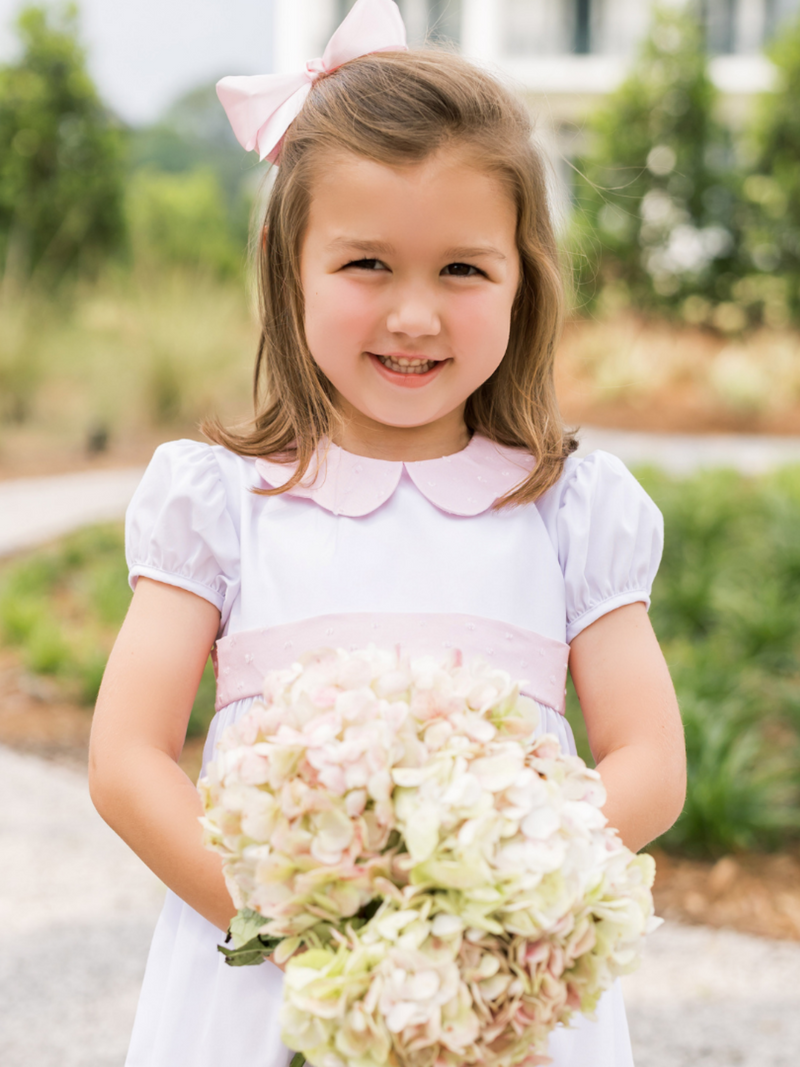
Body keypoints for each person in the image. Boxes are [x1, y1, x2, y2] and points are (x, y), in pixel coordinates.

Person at [89, 2, 686, 1064]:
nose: (414, 314)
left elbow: (648, 760)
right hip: (270, 980)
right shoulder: (221, 503)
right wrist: (306, 926)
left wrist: (480, 901)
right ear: (287, 259)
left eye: (462, 269)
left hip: (496, 975)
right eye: (367, 264)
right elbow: (128, 757)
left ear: (521, 276)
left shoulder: (567, 512)